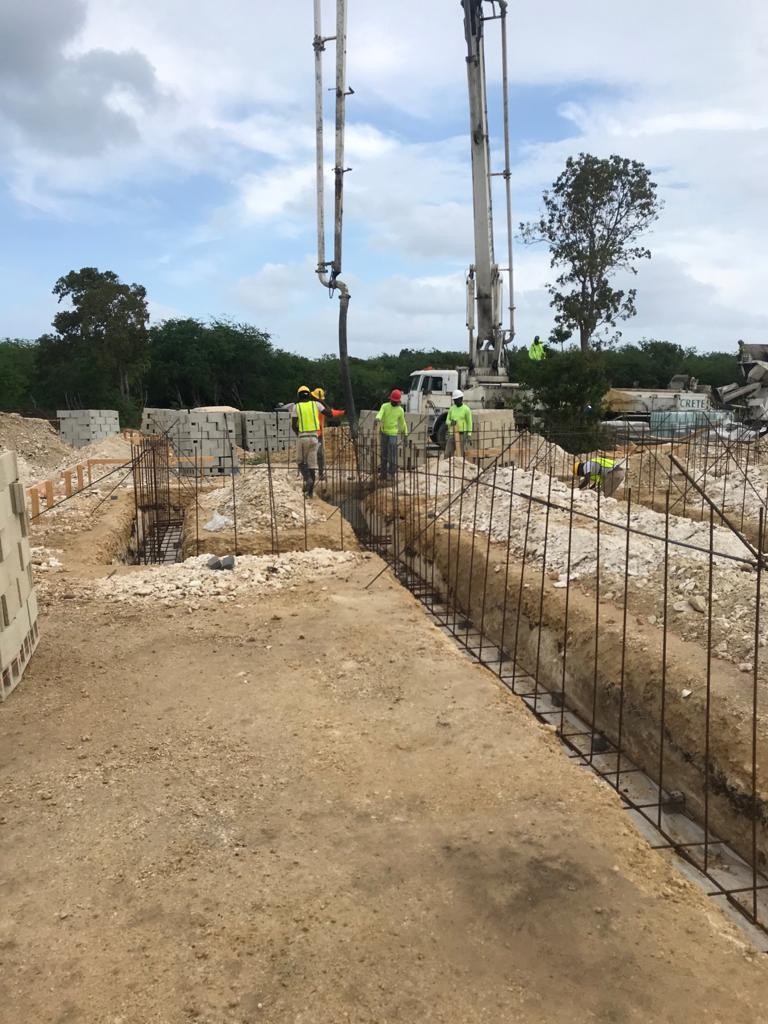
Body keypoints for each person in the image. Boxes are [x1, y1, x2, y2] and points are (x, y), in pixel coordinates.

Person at [290, 385, 326, 498]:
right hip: (315, 437)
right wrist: (320, 401)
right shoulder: (316, 405)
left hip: (303, 437)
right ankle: (309, 493)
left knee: (300, 461)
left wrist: (299, 435)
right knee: (312, 465)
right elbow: (329, 412)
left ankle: (307, 479)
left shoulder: (297, 407)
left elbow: (293, 425)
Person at [311, 387, 344, 482]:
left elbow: (330, 412)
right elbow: (330, 413)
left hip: (318, 433)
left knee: (320, 454)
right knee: (314, 454)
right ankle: (312, 475)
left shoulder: (319, 406)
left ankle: (320, 474)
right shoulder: (315, 406)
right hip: (313, 434)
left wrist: (342, 412)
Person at [375, 389, 408, 479]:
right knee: (383, 454)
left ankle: (391, 474)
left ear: (398, 401)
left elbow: (402, 423)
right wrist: (377, 418)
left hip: (393, 434)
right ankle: (383, 474)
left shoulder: (400, 410)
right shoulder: (385, 406)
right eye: (393, 401)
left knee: (392, 455)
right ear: (390, 399)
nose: (394, 402)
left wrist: (405, 434)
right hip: (384, 432)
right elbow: (380, 413)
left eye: (395, 401)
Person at [444, 389, 473, 457]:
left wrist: (469, 434)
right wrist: (451, 423)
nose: (455, 401)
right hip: (452, 434)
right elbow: (447, 421)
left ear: (461, 399)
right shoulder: (451, 409)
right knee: (448, 453)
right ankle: (448, 466)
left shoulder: (466, 409)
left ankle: (459, 466)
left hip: (462, 434)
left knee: (460, 453)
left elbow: (469, 422)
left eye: (457, 399)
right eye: (454, 400)